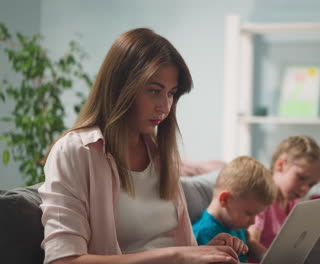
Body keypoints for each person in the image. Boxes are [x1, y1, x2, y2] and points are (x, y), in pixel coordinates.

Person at [39, 28, 246, 264]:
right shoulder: (75, 152)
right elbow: (63, 260)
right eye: (155, 91)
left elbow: (176, 248)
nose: (165, 107)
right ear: (121, 88)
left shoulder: (160, 154)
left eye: (171, 93)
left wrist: (206, 251)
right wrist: (177, 255)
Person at [247, 135, 320, 259]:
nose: (305, 189)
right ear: (281, 164)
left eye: (311, 185)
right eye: (301, 178)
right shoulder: (262, 197)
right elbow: (251, 241)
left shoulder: (293, 202)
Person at [192, 156, 276, 262]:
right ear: (225, 199)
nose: (253, 221)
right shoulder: (202, 233)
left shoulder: (236, 225)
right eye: (249, 213)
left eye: (256, 215)